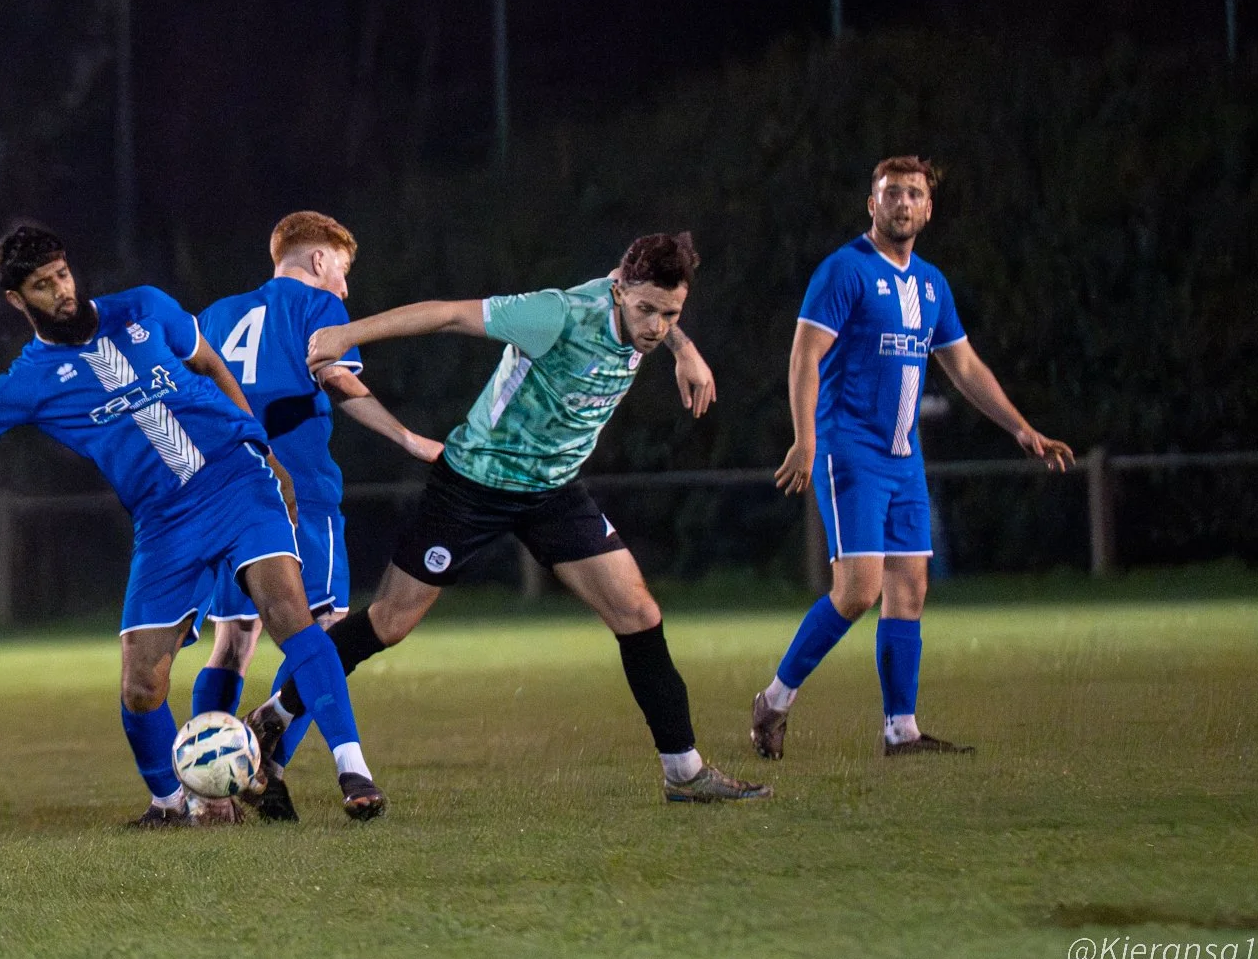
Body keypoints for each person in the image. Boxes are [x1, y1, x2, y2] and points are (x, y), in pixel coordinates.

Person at [0, 224, 388, 824]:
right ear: (17, 300)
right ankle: (170, 807)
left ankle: (352, 769)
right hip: (165, 522)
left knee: (290, 616)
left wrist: (262, 447)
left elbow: (209, 363)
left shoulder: (144, 308)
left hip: (237, 480)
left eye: (63, 275)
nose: (62, 291)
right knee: (141, 685)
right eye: (43, 286)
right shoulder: (27, 382)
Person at [246, 232, 772, 803]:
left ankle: (684, 772)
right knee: (389, 622)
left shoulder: (649, 313)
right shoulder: (556, 314)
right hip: (474, 482)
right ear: (619, 290)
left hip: (553, 490)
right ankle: (275, 713)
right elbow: (447, 315)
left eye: (670, 315)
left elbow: (658, 311)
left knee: (639, 615)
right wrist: (349, 334)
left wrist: (684, 349)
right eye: (647, 310)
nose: (655, 326)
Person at [754, 156, 1074, 760]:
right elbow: (804, 355)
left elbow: (964, 366)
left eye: (913, 195)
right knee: (858, 591)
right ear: (871, 204)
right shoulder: (845, 269)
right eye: (892, 192)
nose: (902, 202)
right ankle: (773, 700)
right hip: (850, 449)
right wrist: (805, 438)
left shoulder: (930, 284)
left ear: (928, 210)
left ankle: (901, 730)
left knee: (909, 588)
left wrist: (1021, 427)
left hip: (904, 457)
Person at [190, 213, 443, 821]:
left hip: (226, 494)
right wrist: (408, 439)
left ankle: (210, 792)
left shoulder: (216, 314)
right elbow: (336, 378)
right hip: (299, 493)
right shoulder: (317, 306)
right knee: (323, 629)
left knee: (234, 640)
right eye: (344, 270)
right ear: (320, 260)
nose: (346, 288)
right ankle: (308, 769)